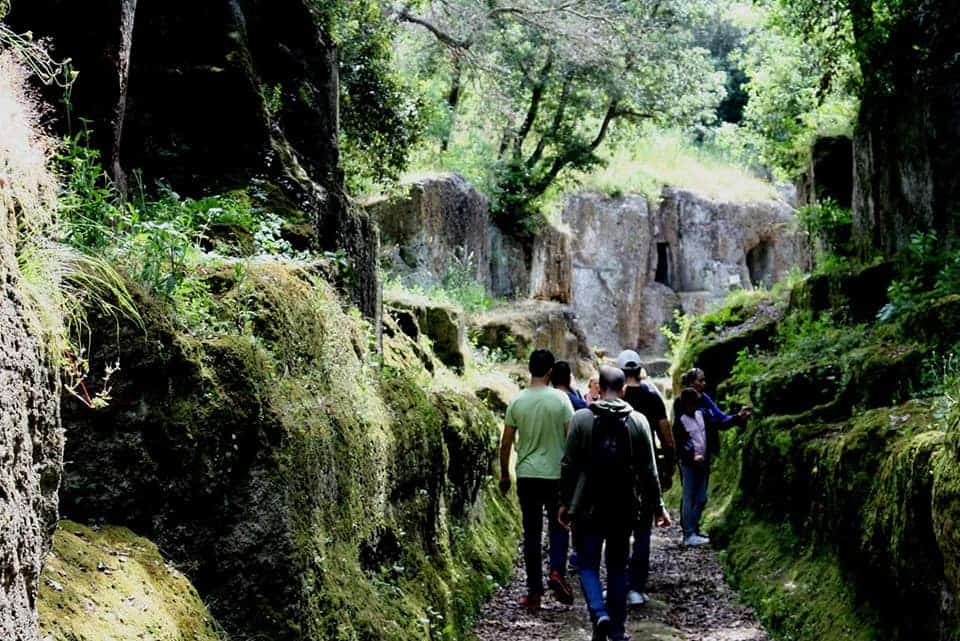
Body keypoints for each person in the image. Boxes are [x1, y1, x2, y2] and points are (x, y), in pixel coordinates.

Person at [559, 366, 671, 641]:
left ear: (600, 388)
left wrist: (564, 502)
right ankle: (618, 631)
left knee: (587, 564)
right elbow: (649, 470)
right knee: (618, 567)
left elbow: (568, 464)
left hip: (588, 504)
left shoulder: (582, 419)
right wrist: (658, 506)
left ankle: (599, 614)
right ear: (623, 390)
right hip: (624, 504)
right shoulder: (639, 421)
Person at [500, 349, 576, 612]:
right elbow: (571, 440)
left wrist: (503, 475)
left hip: (527, 475)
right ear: (551, 371)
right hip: (556, 475)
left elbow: (506, 442)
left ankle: (534, 592)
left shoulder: (517, 401)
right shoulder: (562, 401)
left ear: (529, 369)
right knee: (559, 525)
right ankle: (556, 571)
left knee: (531, 534)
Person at [616, 350, 675, 607]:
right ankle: (636, 587)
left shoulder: (615, 396)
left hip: (615, 471)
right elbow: (666, 436)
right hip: (643, 471)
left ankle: (618, 583)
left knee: (616, 531)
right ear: (640, 369)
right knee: (642, 532)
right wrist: (668, 468)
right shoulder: (652, 396)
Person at [672, 368, 751, 546]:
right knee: (689, 495)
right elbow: (681, 435)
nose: (704, 384)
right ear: (691, 383)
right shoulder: (681, 404)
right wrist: (691, 454)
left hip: (704, 457)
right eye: (700, 380)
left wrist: (738, 418)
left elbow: (719, 420)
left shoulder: (704, 401)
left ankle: (694, 530)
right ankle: (688, 534)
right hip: (689, 460)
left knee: (701, 498)